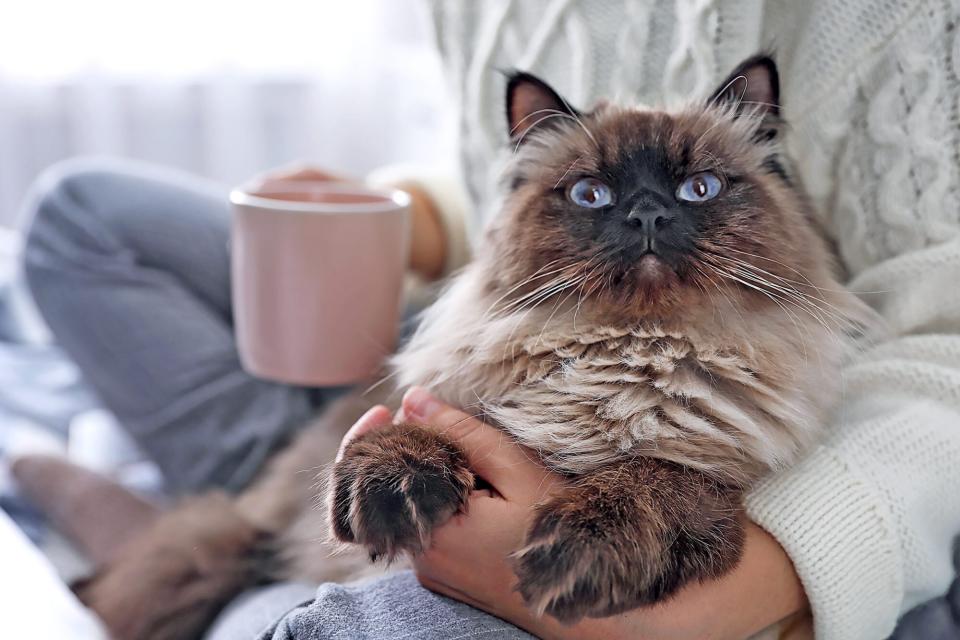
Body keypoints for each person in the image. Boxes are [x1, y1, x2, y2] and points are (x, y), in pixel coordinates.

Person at [19, 1, 960, 639]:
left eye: (700, 187)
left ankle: (225, 555)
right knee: (79, 217)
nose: (645, 217)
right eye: (597, 194)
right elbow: (494, 172)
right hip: (473, 331)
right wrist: (410, 213)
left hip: (587, 557)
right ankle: (240, 521)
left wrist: (747, 589)